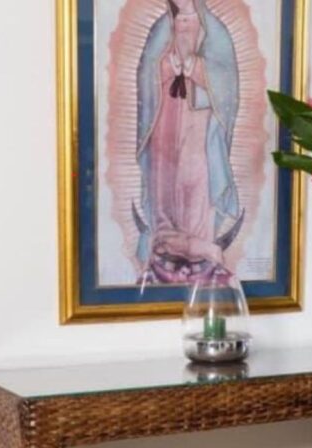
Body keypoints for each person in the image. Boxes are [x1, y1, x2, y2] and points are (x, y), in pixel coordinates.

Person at [134, 0, 242, 284]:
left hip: (198, 122)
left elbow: (228, 80)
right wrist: (166, 66)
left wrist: (195, 66)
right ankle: (166, 240)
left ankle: (197, 248)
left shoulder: (215, 31)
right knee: (165, 181)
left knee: (195, 178)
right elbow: (145, 73)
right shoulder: (161, 28)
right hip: (164, 119)